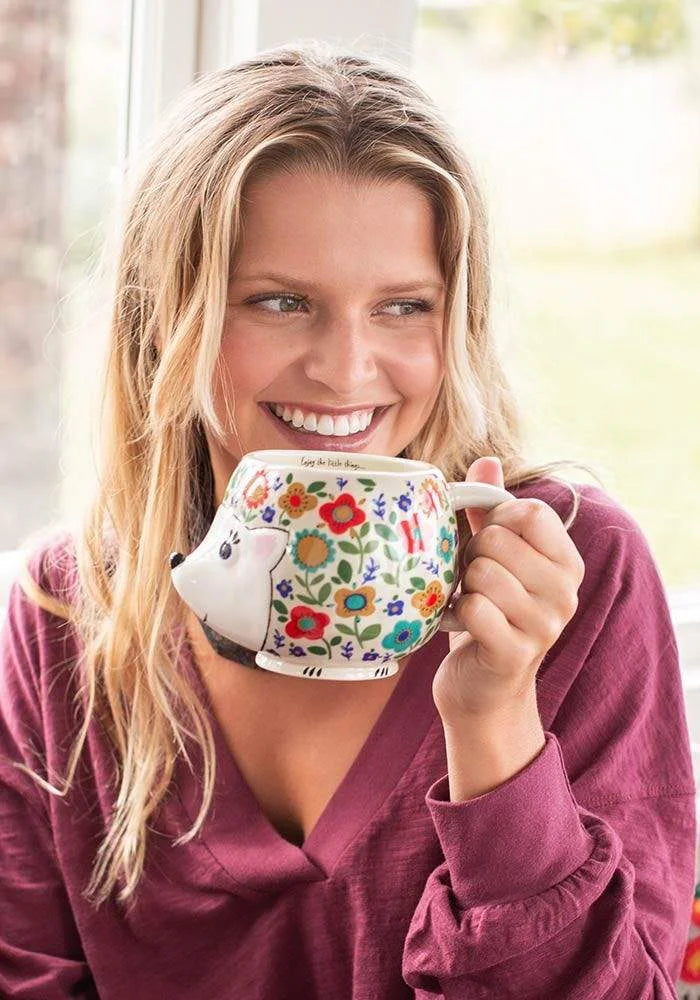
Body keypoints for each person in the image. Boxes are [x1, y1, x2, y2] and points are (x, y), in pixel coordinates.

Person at [0, 40, 695, 1000]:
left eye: (404, 308)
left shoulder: (575, 576)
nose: (347, 369)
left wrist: (494, 723)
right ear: (163, 318)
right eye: (281, 303)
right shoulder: (62, 616)